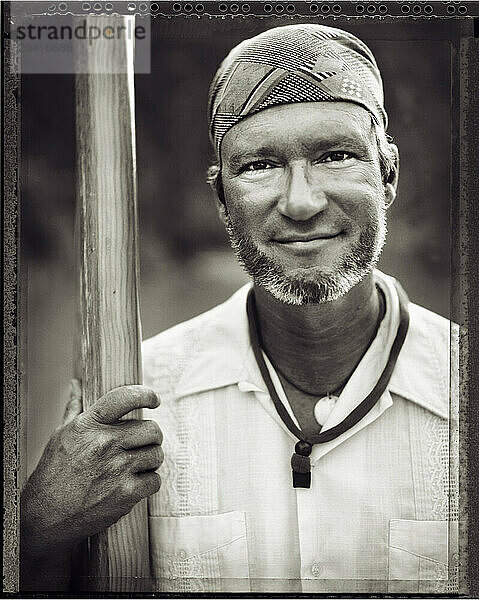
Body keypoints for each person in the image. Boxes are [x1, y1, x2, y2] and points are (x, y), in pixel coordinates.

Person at [21, 24, 458, 594]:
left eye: (337, 156)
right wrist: (36, 532)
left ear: (388, 173)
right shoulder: (129, 399)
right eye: (259, 166)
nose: (301, 201)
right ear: (221, 195)